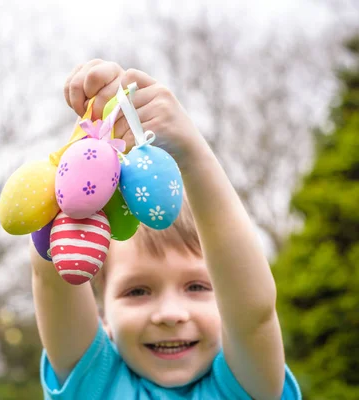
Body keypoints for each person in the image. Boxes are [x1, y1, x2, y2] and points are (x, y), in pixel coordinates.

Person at [30, 59, 301, 399]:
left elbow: (254, 315)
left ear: (229, 297)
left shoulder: (246, 386)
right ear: (104, 318)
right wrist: (89, 142)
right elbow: (53, 280)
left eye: (198, 286)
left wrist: (192, 154)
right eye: (137, 291)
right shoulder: (96, 385)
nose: (170, 314)